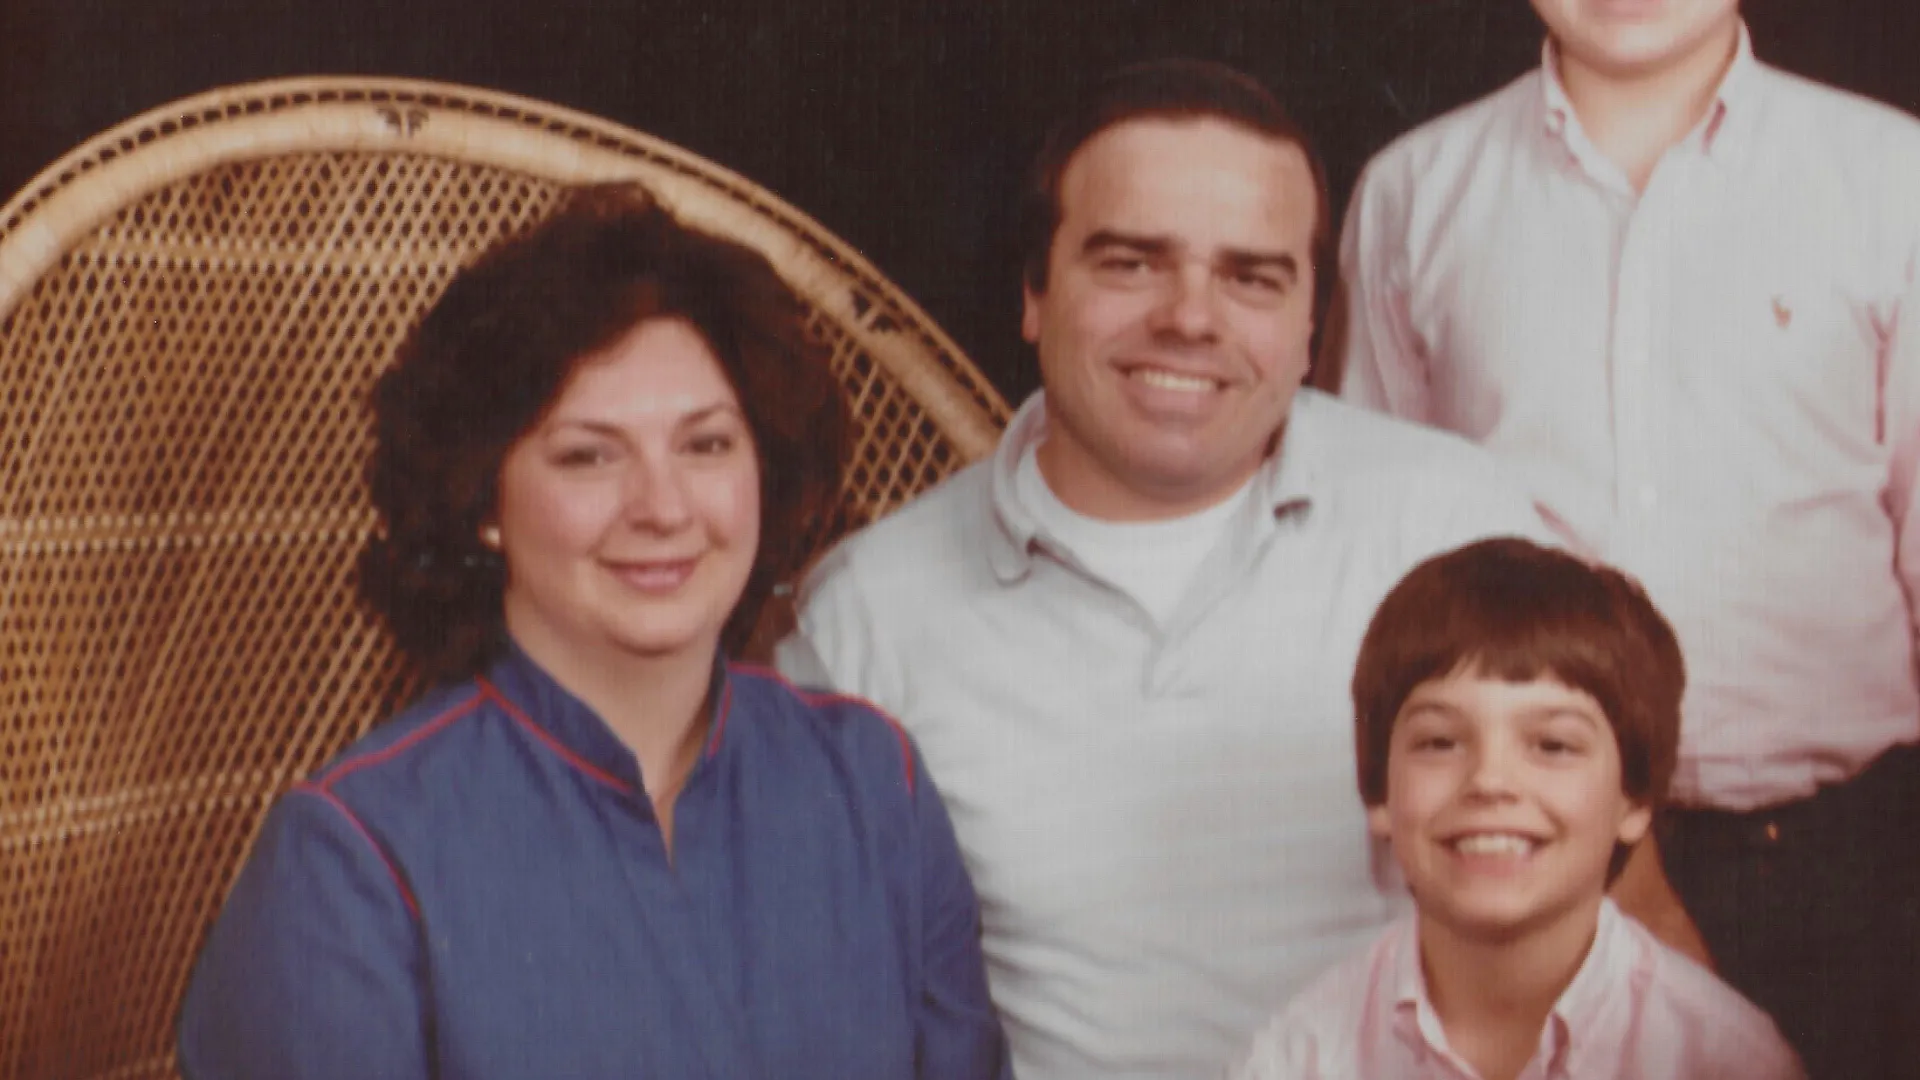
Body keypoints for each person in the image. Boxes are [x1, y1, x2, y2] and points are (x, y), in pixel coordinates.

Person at [777, 59, 1555, 1079]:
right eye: (1131, 263)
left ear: (1312, 318)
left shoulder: (1456, 526)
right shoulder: (868, 618)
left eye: (1251, 276)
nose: (1191, 318)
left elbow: (1626, 933)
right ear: (1033, 291)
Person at [176, 184, 1010, 1080]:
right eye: (588, 455)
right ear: (483, 500)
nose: (661, 507)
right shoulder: (353, 856)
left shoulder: (874, 784)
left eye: (707, 445)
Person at [1331, 3, 1920, 1075]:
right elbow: (1381, 558)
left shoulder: (1891, 181)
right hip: (1528, 863)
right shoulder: (1415, 196)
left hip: (1856, 867)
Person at [1231, 538, 1802, 1080]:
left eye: (1552, 745)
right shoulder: (1303, 1055)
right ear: (1379, 792)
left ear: (1634, 800)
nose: (1490, 781)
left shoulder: (1724, 1059)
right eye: (1440, 743)